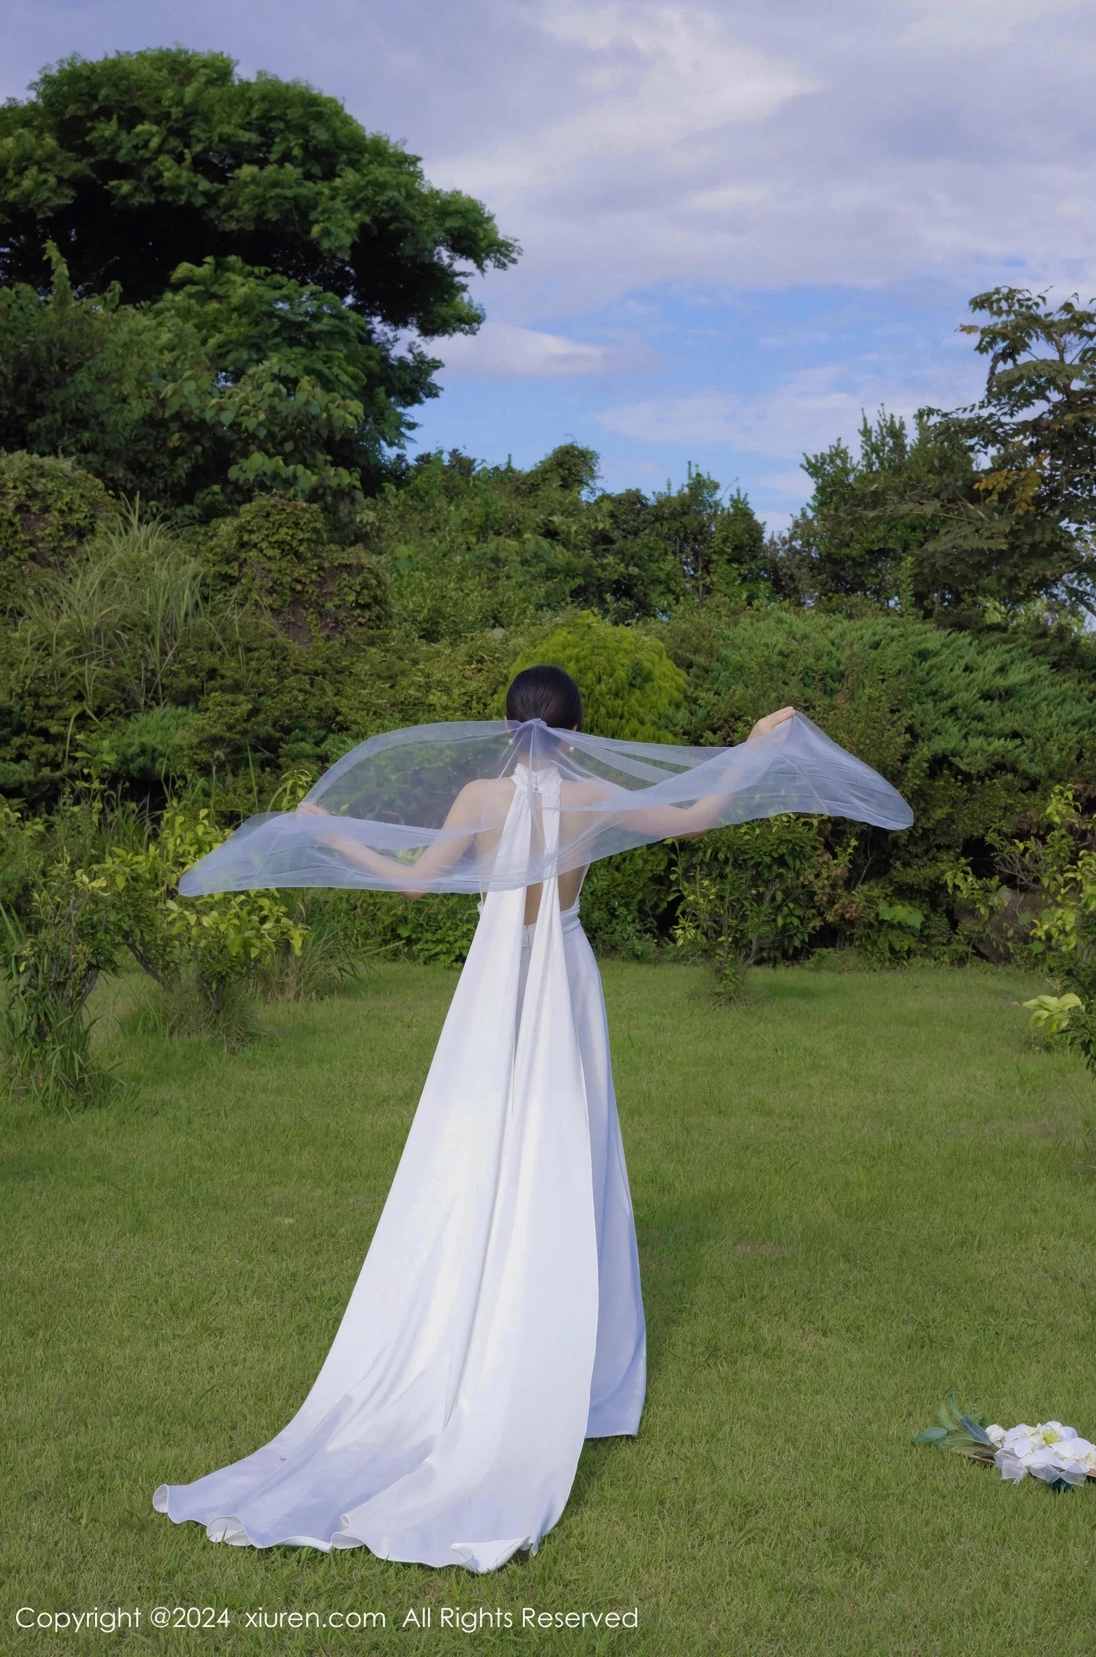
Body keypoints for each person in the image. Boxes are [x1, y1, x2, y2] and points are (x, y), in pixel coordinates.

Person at [153, 671, 905, 1571]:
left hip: (493, 980)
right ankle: (548, 1336)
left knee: (473, 1150)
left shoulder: (481, 796)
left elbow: (413, 885)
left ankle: (474, 1312)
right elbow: (698, 817)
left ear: (507, 730)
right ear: (576, 734)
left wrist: (327, 828)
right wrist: (751, 748)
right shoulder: (591, 793)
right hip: (562, 977)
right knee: (561, 1152)